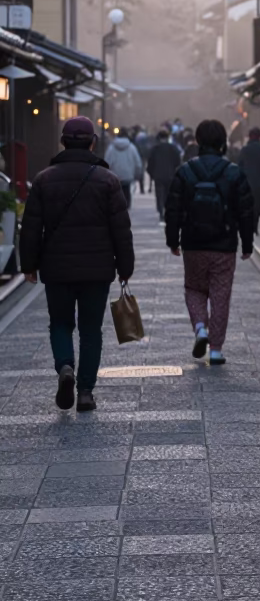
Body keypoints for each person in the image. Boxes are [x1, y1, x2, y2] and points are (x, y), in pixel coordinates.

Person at [19, 115, 134, 413]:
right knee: (91, 329)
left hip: (56, 268)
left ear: (63, 142)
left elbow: (31, 227)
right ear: (93, 142)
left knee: (60, 323)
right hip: (97, 269)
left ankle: (65, 367)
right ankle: (85, 391)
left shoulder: (44, 179)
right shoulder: (107, 181)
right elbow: (121, 229)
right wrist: (125, 267)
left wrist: (28, 265)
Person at [165, 118, 254, 366]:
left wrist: (173, 240)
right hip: (224, 245)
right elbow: (246, 212)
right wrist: (247, 244)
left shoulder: (185, 172)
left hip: (193, 243)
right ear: (223, 142)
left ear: (199, 140)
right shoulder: (233, 172)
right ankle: (216, 349)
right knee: (220, 294)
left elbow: (172, 209)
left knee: (194, 288)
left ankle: (201, 328)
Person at [147, 129, 182, 223]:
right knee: (168, 194)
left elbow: (150, 162)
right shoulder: (173, 148)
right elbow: (178, 162)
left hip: (158, 175)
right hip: (170, 175)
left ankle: (161, 211)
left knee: (159, 194)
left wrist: (151, 173)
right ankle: (168, 211)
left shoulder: (155, 149)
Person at [105, 129, 143, 209]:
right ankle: (126, 208)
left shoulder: (111, 148)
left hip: (114, 175)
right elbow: (138, 163)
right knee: (126, 192)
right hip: (128, 175)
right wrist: (137, 175)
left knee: (116, 193)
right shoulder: (132, 147)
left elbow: (107, 162)